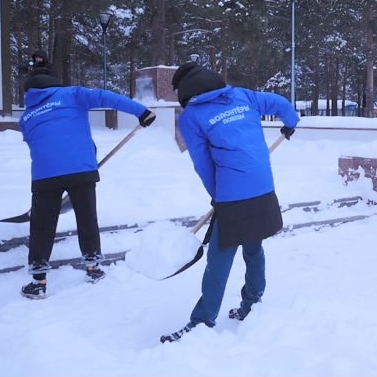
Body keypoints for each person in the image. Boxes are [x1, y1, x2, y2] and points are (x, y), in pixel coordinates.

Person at [160, 63, 299, 343]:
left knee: (219, 258)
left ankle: (202, 320)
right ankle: (253, 304)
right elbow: (281, 103)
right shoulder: (242, 96)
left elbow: (203, 164)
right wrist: (291, 122)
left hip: (233, 193)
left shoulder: (191, 117)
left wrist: (217, 195)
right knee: (253, 247)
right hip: (263, 185)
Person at [19, 51, 157, 299]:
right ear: (54, 82)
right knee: (86, 217)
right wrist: (141, 112)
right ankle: (93, 268)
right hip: (81, 170)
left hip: (45, 175)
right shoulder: (72, 94)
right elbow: (107, 97)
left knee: (41, 226)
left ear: (28, 92)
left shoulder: (27, 116)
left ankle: (38, 281)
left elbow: (36, 144)